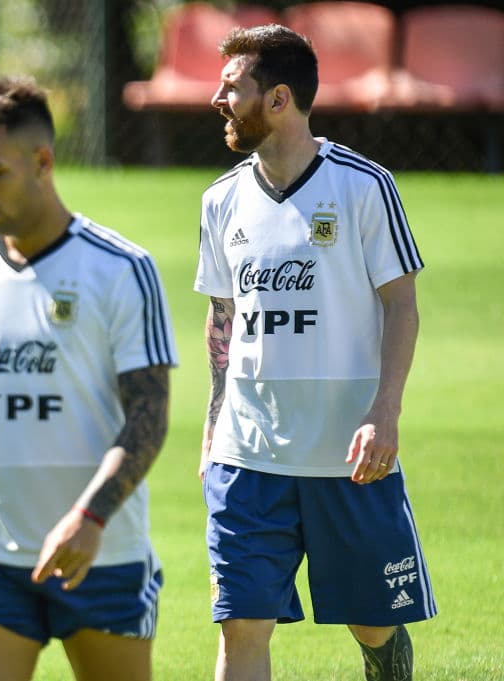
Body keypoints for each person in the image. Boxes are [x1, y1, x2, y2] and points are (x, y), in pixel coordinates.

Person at [0, 75, 178, 681]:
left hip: (101, 555)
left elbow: (149, 415)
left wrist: (91, 519)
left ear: (43, 161)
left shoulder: (122, 269)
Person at [195, 24, 436, 681]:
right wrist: (213, 428)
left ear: (278, 99)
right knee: (241, 626)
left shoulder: (363, 187)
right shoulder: (220, 201)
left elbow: (401, 305)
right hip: (246, 455)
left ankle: (383, 655)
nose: (217, 98)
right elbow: (223, 320)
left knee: (374, 620)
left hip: (347, 454)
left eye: (231, 87)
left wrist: (385, 413)